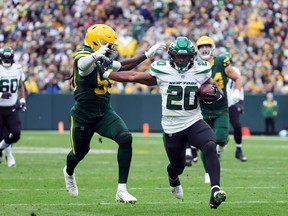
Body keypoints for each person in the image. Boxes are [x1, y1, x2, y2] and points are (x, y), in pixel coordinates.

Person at [100, 36, 227, 209]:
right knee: (177, 166)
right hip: (172, 127)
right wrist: (107, 73)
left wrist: (217, 92)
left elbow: (210, 85)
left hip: (194, 120)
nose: (182, 60)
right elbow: (134, 75)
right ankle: (173, 178)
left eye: (185, 57)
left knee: (210, 145)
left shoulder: (202, 69)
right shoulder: (162, 70)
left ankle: (215, 191)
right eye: (178, 56)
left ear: (192, 56)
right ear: (172, 56)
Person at [63, 24, 165, 204]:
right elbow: (82, 65)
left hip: (103, 113)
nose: (110, 48)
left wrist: (147, 55)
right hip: (83, 115)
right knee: (79, 153)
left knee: (125, 138)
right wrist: (96, 55)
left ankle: (121, 189)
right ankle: (68, 172)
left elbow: (123, 66)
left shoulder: (102, 58)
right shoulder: (84, 55)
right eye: (108, 44)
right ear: (97, 42)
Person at [185, 36, 242, 184]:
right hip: (202, 110)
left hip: (220, 108)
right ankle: (208, 173)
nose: (204, 49)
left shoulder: (220, 62)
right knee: (207, 144)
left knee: (221, 138)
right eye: (201, 47)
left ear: (212, 48)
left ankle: (221, 147)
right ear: (197, 50)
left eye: (207, 46)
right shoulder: (193, 66)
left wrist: (237, 92)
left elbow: (237, 78)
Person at [0, 46, 27, 167]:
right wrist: (1, 94)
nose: (6, 61)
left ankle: (1, 150)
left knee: (15, 133)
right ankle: (9, 156)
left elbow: (20, 86)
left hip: (11, 106)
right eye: (4, 59)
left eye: (8, 59)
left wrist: (22, 100)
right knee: (2, 135)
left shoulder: (17, 68)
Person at [226, 66, 247, 162]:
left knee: (237, 126)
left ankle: (239, 149)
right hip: (217, 103)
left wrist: (241, 103)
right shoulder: (215, 67)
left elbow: (239, 85)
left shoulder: (233, 70)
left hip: (231, 103)